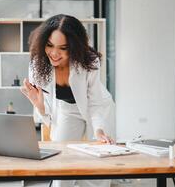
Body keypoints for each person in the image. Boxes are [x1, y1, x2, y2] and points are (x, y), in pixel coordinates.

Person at [20, 14, 115, 187]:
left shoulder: (89, 61)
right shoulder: (37, 64)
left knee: (99, 165)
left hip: (98, 107)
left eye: (63, 48)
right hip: (65, 109)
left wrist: (99, 129)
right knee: (62, 165)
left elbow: (94, 100)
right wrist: (39, 106)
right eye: (49, 45)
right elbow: (47, 110)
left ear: (74, 47)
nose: (54, 53)